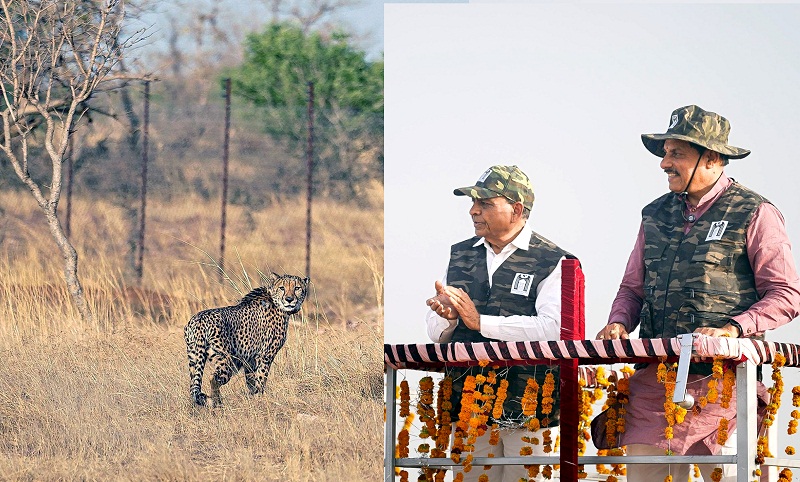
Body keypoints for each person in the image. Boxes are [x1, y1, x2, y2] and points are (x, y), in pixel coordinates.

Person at [595, 105, 800, 481]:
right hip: (654, 383)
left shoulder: (755, 212)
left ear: (713, 158)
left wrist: (733, 330)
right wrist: (618, 322)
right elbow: (632, 288)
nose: (664, 163)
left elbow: (786, 294)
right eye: (665, 153)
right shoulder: (653, 214)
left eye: (677, 154)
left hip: (723, 385)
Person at [426, 164, 576, 482]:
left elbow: (552, 328)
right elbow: (436, 332)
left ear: (516, 209)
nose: (473, 211)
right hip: (467, 404)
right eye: (473, 203)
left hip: (530, 407)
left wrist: (481, 322)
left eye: (485, 203)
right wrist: (448, 317)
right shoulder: (461, 255)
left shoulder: (553, 260)